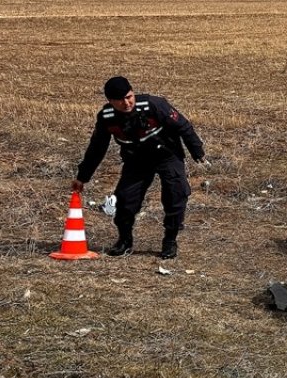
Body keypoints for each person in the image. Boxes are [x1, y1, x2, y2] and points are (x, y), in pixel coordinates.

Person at [72, 76, 205, 259]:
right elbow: (97, 148)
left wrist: (196, 150)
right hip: (136, 160)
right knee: (125, 200)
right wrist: (82, 176)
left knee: (176, 193)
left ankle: (170, 240)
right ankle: (125, 240)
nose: (127, 103)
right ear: (110, 101)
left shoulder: (153, 105)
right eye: (120, 100)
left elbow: (182, 126)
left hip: (167, 155)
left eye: (129, 97)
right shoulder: (107, 118)